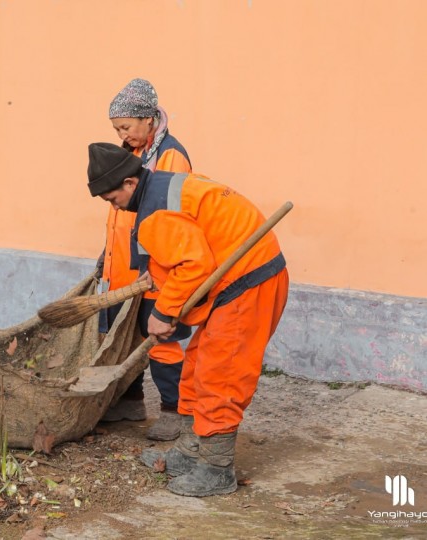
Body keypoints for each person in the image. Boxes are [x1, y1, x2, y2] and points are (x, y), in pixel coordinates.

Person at [86, 142, 289, 497]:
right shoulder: (162, 189)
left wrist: (163, 313)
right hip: (235, 280)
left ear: (130, 183)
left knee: (221, 374)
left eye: (111, 198)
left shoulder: (155, 215)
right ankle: (190, 449)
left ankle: (216, 468)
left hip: (248, 283)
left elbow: (193, 264)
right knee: (196, 366)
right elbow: (187, 250)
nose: (113, 206)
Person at [98, 78, 192, 442]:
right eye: (117, 129)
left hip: (154, 269)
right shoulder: (133, 154)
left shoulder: (171, 156)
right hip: (123, 267)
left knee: (160, 339)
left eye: (126, 126)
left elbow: (170, 220)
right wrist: (104, 258)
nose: (123, 134)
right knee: (128, 337)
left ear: (149, 119)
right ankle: (131, 400)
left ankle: (175, 410)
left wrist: (153, 269)